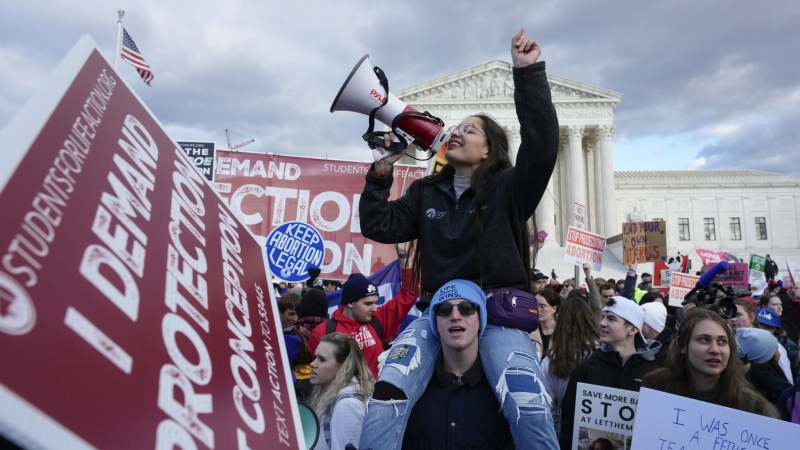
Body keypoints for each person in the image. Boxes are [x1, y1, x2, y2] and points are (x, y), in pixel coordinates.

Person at [358, 28, 559, 450]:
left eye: (470, 129)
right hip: (438, 313)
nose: (457, 133)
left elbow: (541, 147)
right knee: (386, 394)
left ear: (488, 149)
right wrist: (380, 172)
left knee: (530, 406)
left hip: (498, 313)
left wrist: (529, 74)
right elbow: (380, 225)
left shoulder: (508, 188)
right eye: (456, 128)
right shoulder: (426, 192)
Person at [402, 280, 513, 449]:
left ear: (480, 320)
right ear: (436, 324)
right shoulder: (414, 390)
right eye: (445, 310)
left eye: (466, 308)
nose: (455, 316)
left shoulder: (504, 392)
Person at [559, 296, 660, 449]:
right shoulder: (587, 368)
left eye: (611, 319)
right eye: (603, 317)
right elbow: (569, 422)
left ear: (632, 329)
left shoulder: (653, 374)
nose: (602, 323)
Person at [642, 309, 780, 419]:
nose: (715, 350)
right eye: (703, 340)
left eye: (722, 342)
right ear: (682, 345)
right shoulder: (654, 387)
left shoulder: (754, 407)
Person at [309, 271, 417, 379]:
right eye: (368, 303)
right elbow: (316, 374)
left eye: (375, 302)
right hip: (340, 395)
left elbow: (409, 294)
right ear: (350, 303)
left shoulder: (378, 320)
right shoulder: (323, 332)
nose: (374, 308)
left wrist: (406, 265)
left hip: (375, 394)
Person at [541, 298, 599, 438]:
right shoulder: (601, 352)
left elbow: (547, 404)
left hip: (564, 432)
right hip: (597, 431)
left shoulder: (552, 359)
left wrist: (557, 435)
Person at [308, 333, 374, 450]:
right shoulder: (326, 393)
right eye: (315, 357)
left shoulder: (348, 405)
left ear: (343, 367)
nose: (312, 364)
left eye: (322, 359)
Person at [736, 327, 792, 408]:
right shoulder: (779, 387)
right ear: (769, 357)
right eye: (776, 348)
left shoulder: (744, 378)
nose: (779, 352)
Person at [641, 301, 673, 366]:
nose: (637, 327)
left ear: (653, 326)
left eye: (641, 323)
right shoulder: (640, 341)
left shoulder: (669, 352)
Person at [537, 288, 561, 357]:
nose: (537, 309)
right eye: (534, 305)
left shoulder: (563, 331)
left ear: (554, 309)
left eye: (542, 306)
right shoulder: (529, 330)